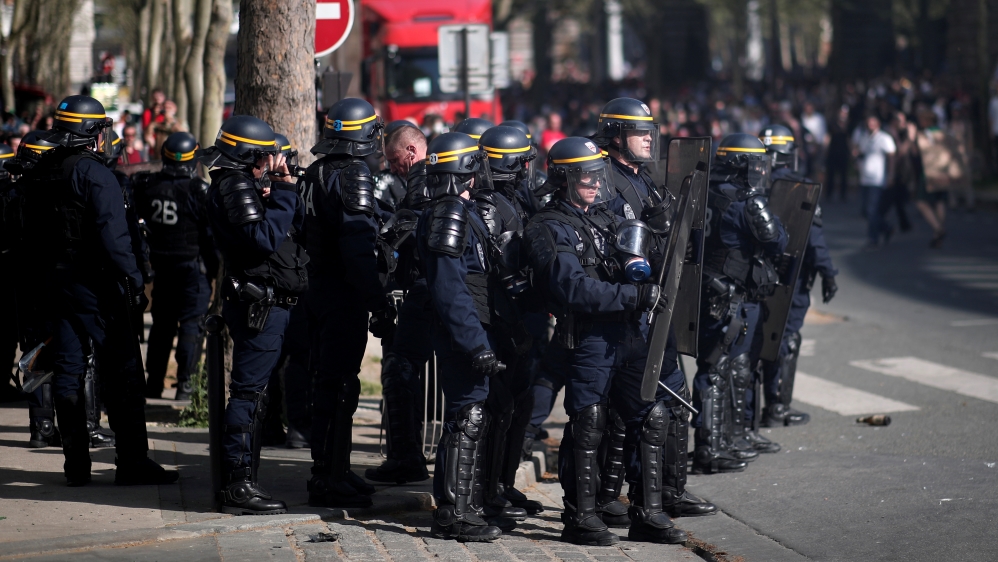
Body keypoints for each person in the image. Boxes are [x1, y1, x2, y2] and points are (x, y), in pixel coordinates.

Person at [525, 136, 685, 545]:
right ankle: (581, 515)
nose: (596, 185)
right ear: (563, 179)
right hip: (591, 335)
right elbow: (572, 289)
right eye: (586, 178)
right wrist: (633, 295)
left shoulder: (608, 217)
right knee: (589, 422)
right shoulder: (548, 226)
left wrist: (661, 234)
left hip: (630, 333)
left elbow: (644, 259)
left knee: (651, 418)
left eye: (599, 177)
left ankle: (647, 512)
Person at [15, 95, 179, 487]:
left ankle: (76, 465)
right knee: (123, 371)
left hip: (56, 285)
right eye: (102, 129)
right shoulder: (94, 173)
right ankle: (132, 461)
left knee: (69, 371)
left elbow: (28, 235)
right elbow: (114, 236)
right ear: (91, 133)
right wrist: (135, 282)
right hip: (97, 283)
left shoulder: (41, 172)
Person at [201, 115, 308, 514]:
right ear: (249, 155)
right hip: (257, 305)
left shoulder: (239, 183)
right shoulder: (234, 185)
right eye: (265, 156)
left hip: (266, 302)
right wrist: (281, 192)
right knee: (248, 395)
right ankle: (237, 485)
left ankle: (246, 477)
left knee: (256, 395)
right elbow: (261, 239)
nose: (271, 162)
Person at [300, 98, 393, 508]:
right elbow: (356, 242)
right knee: (339, 385)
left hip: (316, 288)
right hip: (341, 291)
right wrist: (376, 296)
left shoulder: (316, 170)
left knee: (331, 381)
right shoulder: (352, 173)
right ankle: (328, 476)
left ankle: (335, 466)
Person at [415, 132, 503, 542]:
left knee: (470, 416)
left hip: (472, 329)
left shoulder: (457, 211)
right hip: (461, 334)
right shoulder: (449, 212)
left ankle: (466, 505)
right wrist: (476, 345)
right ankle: (454, 513)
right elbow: (451, 288)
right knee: (466, 417)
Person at [693, 133, 788, 474]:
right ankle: (710, 448)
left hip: (710, 292)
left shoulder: (702, 191)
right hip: (728, 297)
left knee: (729, 368)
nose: (760, 171)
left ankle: (725, 440)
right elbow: (776, 239)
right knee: (718, 369)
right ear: (740, 165)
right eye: (755, 163)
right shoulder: (744, 203)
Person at [473, 125, 543, 520]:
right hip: (500, 319)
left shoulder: (518, 198)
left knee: (521, 402)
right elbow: (494, 266)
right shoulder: (487, 203)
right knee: (496, 405)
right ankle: (487, 489)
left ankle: (504, 481)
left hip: (523, 315)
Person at [365, 120, 435, 485]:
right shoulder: (441, 172)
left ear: (411, 150)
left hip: (426, 290)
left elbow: (407, 234)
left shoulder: (422, 181)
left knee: (398, 370)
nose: (392, 168)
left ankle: (406, 458)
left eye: (395, 159)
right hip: (438, 289)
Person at [758, 125, 838, 427]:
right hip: (791, 278)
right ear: (789, 155)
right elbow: (814, 240)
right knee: (786, 339)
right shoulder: (800, 187)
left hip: (756, 277)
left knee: (754, 341)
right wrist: (828, 274)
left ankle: (746, 415)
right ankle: (778, 407)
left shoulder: (752, 183)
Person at [133, 132, 214, 401]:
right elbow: (210, 235)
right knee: (191, 325)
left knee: (162, 325)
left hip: (162, 267)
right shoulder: (198, 189)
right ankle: (185, 386)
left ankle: (153, 382)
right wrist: (213, 270)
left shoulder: (149, 186)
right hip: (192, 268)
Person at [260, 133, 312, 449]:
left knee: (291, 360)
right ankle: (284, 426)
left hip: (291, 286)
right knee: (289, 361)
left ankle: (293, 427)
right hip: (275, 287)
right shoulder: (251, 192)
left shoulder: (299, 188)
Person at [852, 115, 896, 249]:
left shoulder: (884, 138)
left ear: (878, 124)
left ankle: (873, 238)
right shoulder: (864, 137)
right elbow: (860, 153)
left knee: (872, 210)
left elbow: (892, 157)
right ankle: (886, 227)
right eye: (868, 123)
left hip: (877, 179)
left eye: (873, 123)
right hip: (865, 178)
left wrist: (890, 175)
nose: (870, 125)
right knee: (866, 211)